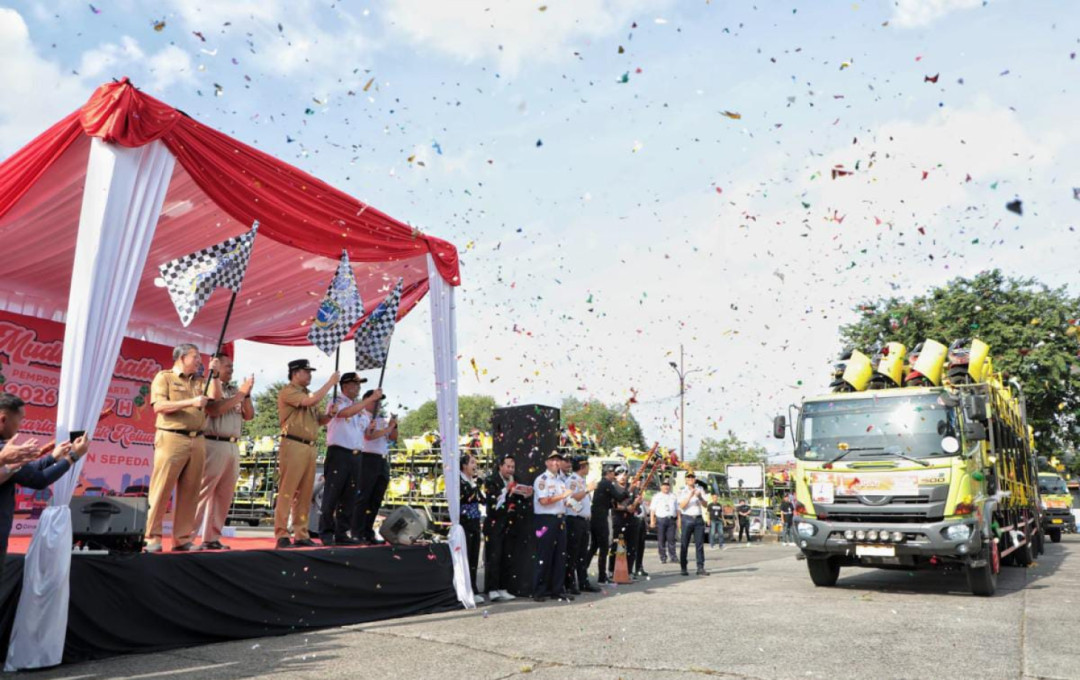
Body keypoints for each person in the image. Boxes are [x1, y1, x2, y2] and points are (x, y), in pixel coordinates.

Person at [0, 394, 87, 578]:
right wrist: (73, 457)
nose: (21, 425)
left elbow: (27, 471)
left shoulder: (4, 448)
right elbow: (38, 480)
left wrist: (53, 457)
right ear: (3, 419)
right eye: (20, 419)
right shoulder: (3, 449)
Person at [147, 344, 219, 552]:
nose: (199, 361)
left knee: (191, 491)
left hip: (198, 439)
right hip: (172, 437)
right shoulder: (165, 377)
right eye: (195, 357)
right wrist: (191, 402)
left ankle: (182, 539)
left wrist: (214, 375)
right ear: (181, 358)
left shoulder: (200, 381)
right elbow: (159, 406)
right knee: (161, 489)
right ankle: (151, 537)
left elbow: (215, 399)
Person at [275, 359, 339, 549]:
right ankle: (282, 534)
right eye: (307, 371)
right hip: (293, 443)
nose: (310, 375)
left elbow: (319, 420)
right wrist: (330, 383)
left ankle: (301, 534)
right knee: (287, 491)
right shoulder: (289, 391)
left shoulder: (307, 393)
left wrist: (329, 415)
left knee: (304, 494)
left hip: (309, 446)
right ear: (295, 373)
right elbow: (309, 401)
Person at [195, 354, 254, 550]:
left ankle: (211, 537)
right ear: (216, 366)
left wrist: (246, 395)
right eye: (227, 366)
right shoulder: (208, 385)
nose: (231, 369)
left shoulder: (235, 390)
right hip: (213, 442)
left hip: (233, 445)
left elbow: (249, 416)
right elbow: (214, 409)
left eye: (232, 366)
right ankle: (186, 537)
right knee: (203, 492)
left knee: (224, 495)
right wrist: (240, 394)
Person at [320, 373, 382, 546]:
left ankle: (342, 532)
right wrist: (369, 400)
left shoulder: (360, 409)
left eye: (359, 385)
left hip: (356, 455)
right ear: (345, 385)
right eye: (356, 384)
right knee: (332, 494)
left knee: (349, 496)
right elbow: (343, 413)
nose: (358, 387)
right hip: (339, 452)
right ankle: (326, 532)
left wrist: (371, 428)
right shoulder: (336, 401)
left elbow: (365, 434)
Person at [483, 454, 530, 602]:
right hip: (495, 525)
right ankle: (492, 588)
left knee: (507, 557)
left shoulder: (516, 480)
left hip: (510, 525)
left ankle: (503, 587)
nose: (511, 470)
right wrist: (506, 491)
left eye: (513, 467)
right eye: (508, 466)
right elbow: (491, 503)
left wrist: (526, 495)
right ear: (500, 466)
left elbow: (520, 502)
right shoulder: (491, 480)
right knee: (494, 557)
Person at [353, 389, 397, 544]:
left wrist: (393, 425)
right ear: (366, 400)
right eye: (375, 401)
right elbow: (369, 436)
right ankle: (357, 531)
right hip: (367, 457)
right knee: (364, 496)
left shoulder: (382, 419)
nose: (378, 405)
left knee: (376, 498)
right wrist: (387, 429)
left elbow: (393, 438)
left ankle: (368, 531)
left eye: (380, 402)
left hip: (382, 459)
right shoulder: (362, 416)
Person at [532, 451, 573, 602]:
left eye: (558, 460)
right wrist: (562, 496)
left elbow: (564, 501)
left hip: (560, 519)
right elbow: (543, 501)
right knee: (544, 555)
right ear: (547, 463)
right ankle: (539, 591)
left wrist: (572, 503)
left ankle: (557, 589)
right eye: (553, 460)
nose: (556, 463)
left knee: (560, 556)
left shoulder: (560, 481)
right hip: (545, 520)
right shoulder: (541, 480)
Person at [564, 456, 599, 594]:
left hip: (584, 521)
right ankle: (570, 583)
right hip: (575, 520)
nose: (588, 468)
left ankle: (583, 582)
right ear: (582, 466)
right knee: (573, 553)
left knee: (582, 553)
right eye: (587, 465)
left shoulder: (581, 481)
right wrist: (587, 490)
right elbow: (570, 499)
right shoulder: (572, 481)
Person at [589, 464, 627, 584]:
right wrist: (629, 491)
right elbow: (619, 497)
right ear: (608, 473)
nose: (614, 475)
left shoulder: (602, 484)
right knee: (604, 547)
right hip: (600, 518)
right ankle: (601, 575)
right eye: (612, 473)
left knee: (594, 546)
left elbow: (610, 502)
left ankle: (583, 570)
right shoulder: (607, 484)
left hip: (596, 517)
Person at [460, 452, 485, 602]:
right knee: (467, 555)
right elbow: (467, 497)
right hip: (465, 522)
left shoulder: (472, 481)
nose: (475, 466)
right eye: (472, 463)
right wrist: (477, 485)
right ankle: (466, 589)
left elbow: (481, 499)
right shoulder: (460, 481)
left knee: (474, 555)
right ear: (464, 465)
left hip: (475, 520)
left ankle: (473, 588)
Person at [608, 468, 640, 579]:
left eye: (625, 474)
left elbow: (637, 499)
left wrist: (635, 504)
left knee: (631, 546)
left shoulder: (632, 487)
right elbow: (613, 504)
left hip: (631, 519)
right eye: (619, 474)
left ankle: (629, 571)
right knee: (617, 545)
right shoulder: (613, 488)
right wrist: (626, 508)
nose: (622, 477)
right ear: (615, 476)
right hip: (618, 519)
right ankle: (611, 569)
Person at [678, 472, 709, 576]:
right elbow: (681, 506)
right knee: (684, 544)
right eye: (689, 477)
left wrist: (700, 497)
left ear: (695, 479)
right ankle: (683, 567)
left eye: (692, 477)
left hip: (698, 518)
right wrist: (690, 496)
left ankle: (700, 567)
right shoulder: (682, 490)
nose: (691, 479)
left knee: (699, 544)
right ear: (686, 480)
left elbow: (705, 505)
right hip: (687, 518)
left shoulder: (700, 489)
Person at [650, 479, 678, 563]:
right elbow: (652, 510)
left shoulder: (673, 496)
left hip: (671, 519)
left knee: (671, 539)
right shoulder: (657, 496)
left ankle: (673, 557)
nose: (666, 487)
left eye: (667, 485)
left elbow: (677, 509)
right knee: (661, 539)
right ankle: (663, 557)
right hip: (661, 519)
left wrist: (679, 520)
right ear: (661, 486)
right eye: (664, 485)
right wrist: (652, 521)